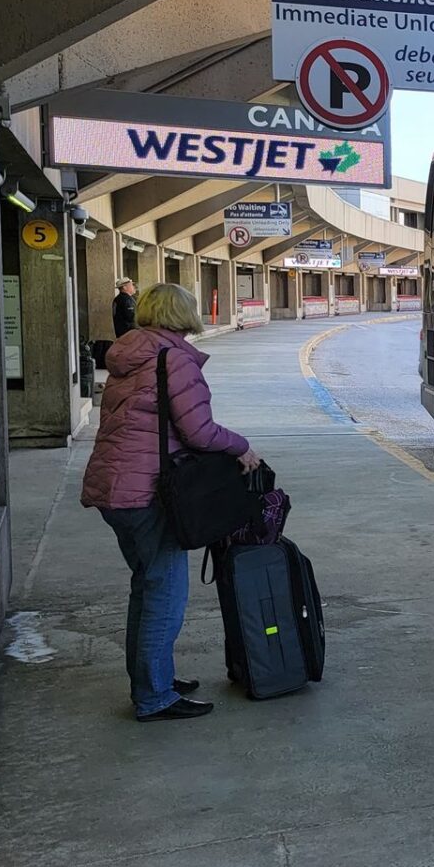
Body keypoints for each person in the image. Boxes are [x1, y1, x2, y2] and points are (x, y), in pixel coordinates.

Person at [81, 283, 259, 721]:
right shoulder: (174, 358)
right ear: (185, 314)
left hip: (116, 488)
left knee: (147, 587)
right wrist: (242, 447)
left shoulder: (128, 355)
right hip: (147, 492)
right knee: (165, 594)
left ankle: (152, 678)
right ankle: (154, 695)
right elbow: (199, 431)